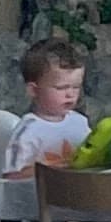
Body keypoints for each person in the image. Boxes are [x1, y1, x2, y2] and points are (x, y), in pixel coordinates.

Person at [6, 37, 92, 178]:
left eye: (76, 87)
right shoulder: (28, 131)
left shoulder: (80, 122)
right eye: (61, 88)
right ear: (34, 90)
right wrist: (54, 170)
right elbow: (12, 177)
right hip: (37, 198)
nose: (70, 94)